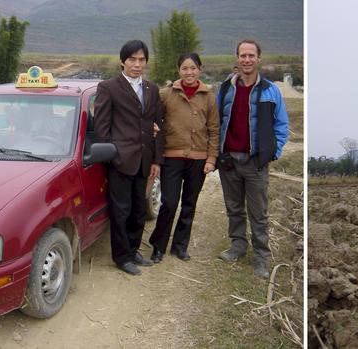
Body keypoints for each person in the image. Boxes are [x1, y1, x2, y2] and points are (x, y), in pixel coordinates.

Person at [216, 39, 289, 279]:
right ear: (236, 58)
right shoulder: (226, 88)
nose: (246, 60)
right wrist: (219, 152)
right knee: (234, 209)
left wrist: (272, 153)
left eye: (251, 55)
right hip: (230, 161)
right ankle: (238, 246)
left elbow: (282, 125)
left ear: (258, 58)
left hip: (255, 162)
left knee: (259, 213)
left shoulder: (270, 90)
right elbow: (216, 121)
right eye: (242, 55)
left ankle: (261, 258)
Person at [93, 39, 164, 276]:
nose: (137, 64)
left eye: (141, 59)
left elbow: (157, 125)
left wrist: (156, 160)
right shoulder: (109, 87)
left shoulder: (152, 89)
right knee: (121, 210)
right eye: (132, 59)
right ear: (122, 61)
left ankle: (133, 250)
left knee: (139, 209)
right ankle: (121, 257)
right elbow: (102, 128)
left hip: (144, 160)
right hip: (121, 161)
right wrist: (113, 154)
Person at [148, 53, 219, 263]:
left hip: (198, 160)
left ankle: (180, 246)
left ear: (200, 70)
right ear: (178, 70)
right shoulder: (166, 94)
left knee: (189, 203)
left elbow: (214, 130)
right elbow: (155, 121)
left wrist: (211, 158)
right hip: (172, 157)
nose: (189, 72)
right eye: (185, 68)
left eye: (193, 68)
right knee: (169, 203)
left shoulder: (209, 97)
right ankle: (158, 246)